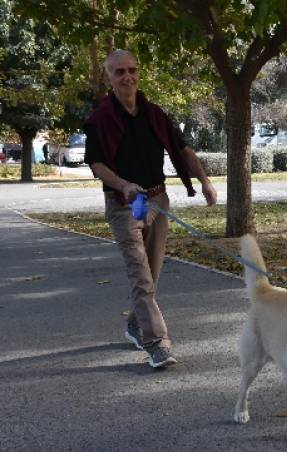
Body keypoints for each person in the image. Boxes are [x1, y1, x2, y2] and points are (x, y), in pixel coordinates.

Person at [83, 49, 218, 368]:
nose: (127, 77)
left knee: (152, 274)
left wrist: (204, 181)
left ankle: (136, 323)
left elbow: (183, 149)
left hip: (156, 201)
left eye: (132, 70)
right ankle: (157, 343)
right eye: (119, 72)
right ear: (108, 77)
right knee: (140, 274)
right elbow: (97, 164)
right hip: (125, 204)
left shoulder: (155, 114)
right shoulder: (100, 119)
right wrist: (123, 185)